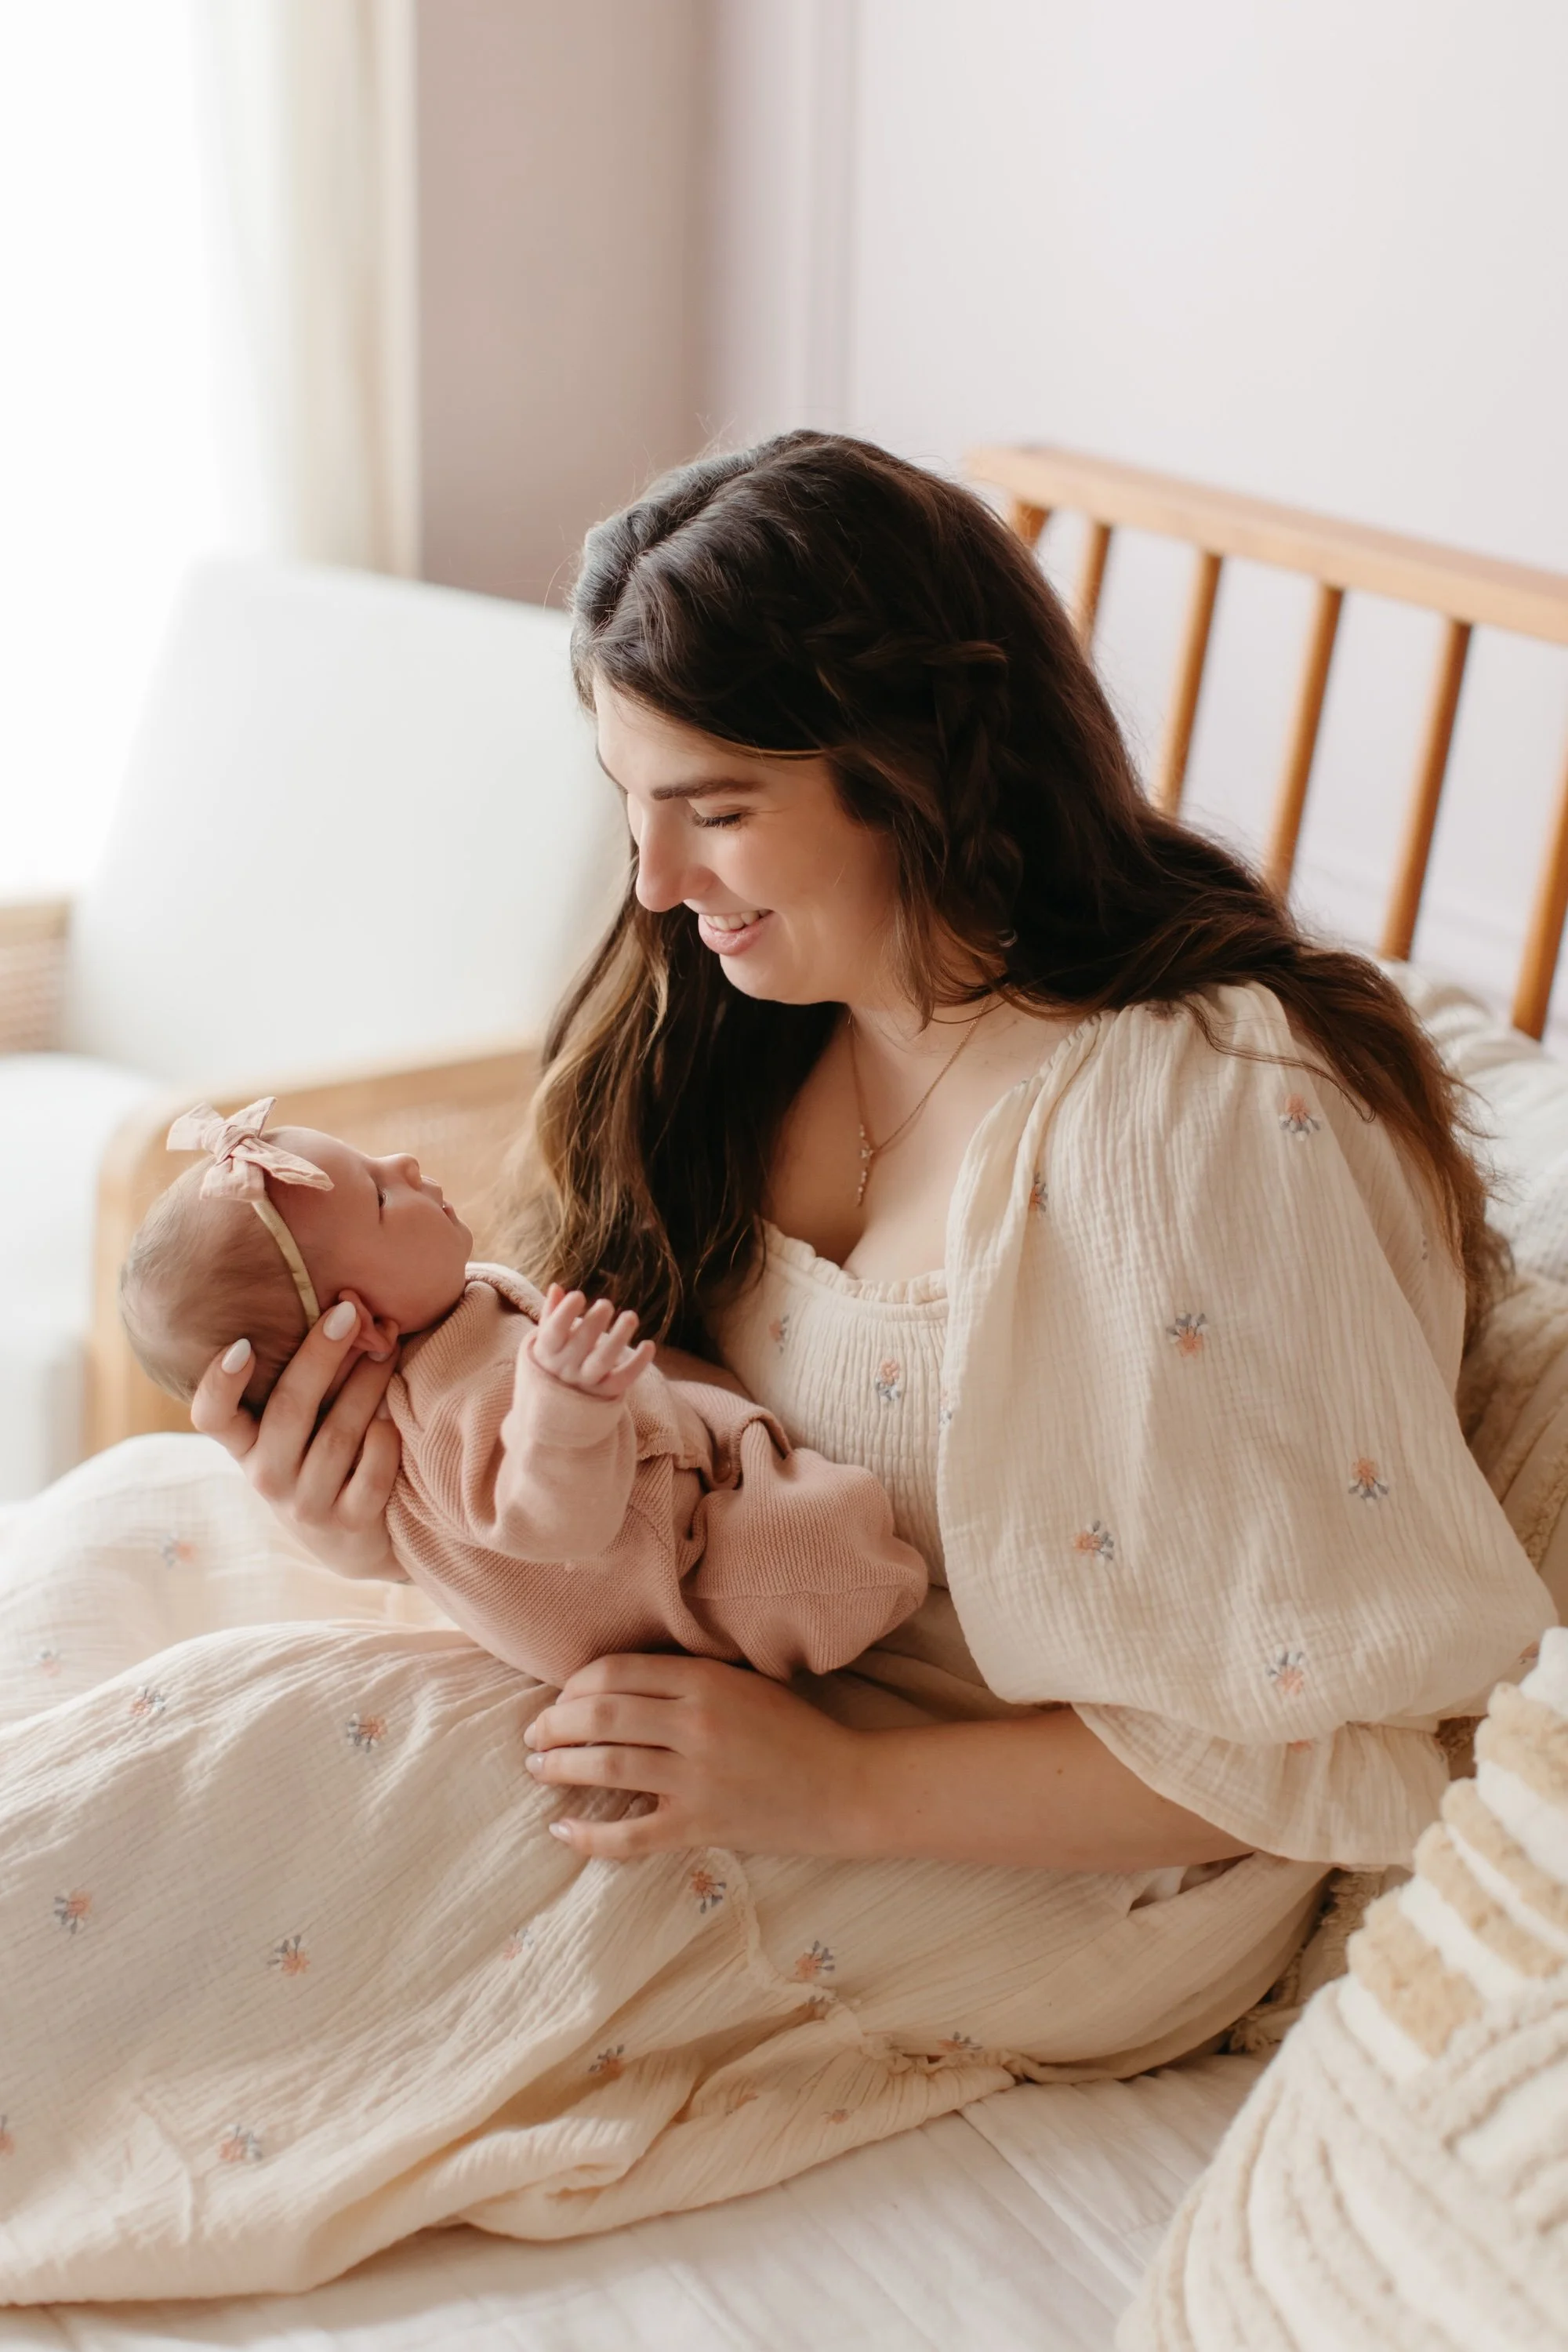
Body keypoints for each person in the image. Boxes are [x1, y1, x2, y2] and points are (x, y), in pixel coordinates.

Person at [8, 430, 1540, 2299]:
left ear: (917, 763)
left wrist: (832, 1790)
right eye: (629, 799)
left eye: (713, 806)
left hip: (1029, 1825)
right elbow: (584, 1442)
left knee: (281, 1770)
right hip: (696, 1649)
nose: (651, 877)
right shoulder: (739, 1016)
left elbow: (1336, 1745)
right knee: (127, 1533)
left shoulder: (1191, 1117)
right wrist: (382, 1524)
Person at [118, 1102, 925, 1683]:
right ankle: (865, 1583)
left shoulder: (444, 1331)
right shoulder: (441, 1407)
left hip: (674, 1487)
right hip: (680, 1579)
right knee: (825, 1547)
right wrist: (564, 1414)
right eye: (377, 1194)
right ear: (358, 1326)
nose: (402, 1165)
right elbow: (547, 1525)